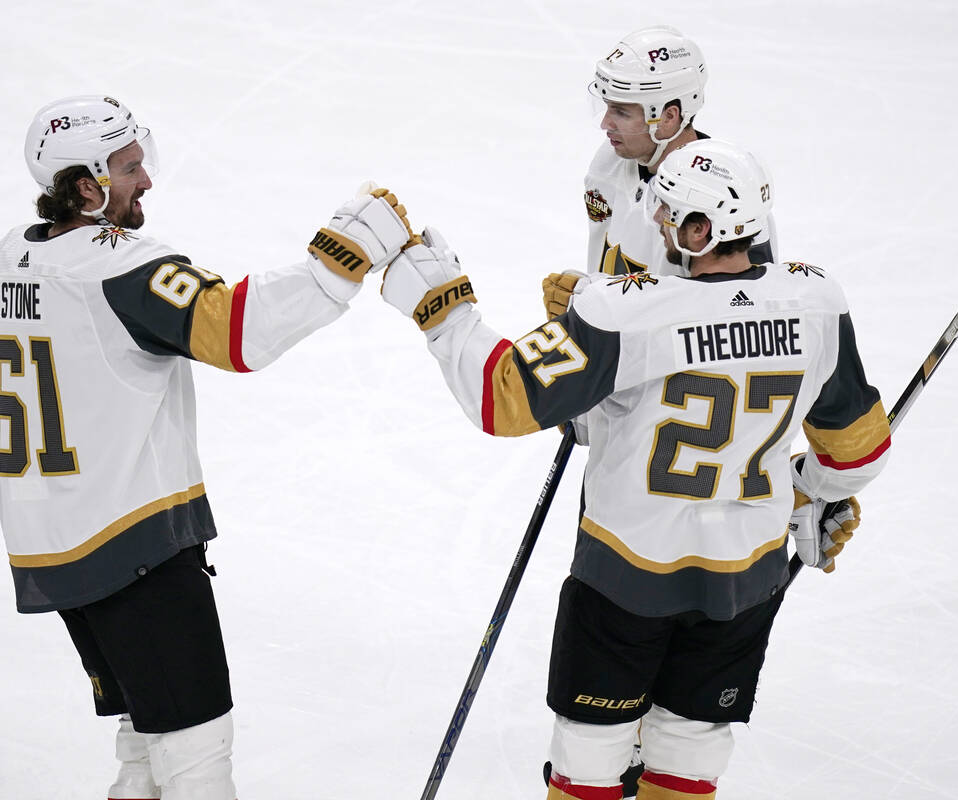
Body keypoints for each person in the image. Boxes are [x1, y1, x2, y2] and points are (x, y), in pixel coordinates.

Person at [0, 95, 414, 800]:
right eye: (128, 169)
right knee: (194, 765)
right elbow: (236, 329)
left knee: (144, 754)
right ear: (86, 187)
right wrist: (344, 255)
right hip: (138, 560)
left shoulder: (2, 262)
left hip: (58, 564)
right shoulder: (119, 268)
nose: (146, 180)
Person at [380, 138, 890, 799]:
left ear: (701, 229)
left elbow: (501, 396)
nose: (654, 221)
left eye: (668, 211)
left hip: (626, 576)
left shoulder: (623, 313)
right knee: (690, 753)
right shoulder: (815, 301)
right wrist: (810, 494)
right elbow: (858, 448)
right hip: (745, 581)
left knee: (591, 759)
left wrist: (444, 308)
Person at [545, 25, 779, 322]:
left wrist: (598, 302)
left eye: (621, 112)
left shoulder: (725, 198)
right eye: (606, 108)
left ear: (669, 117)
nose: (606, 123)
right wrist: (589, 309)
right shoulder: (610, 160)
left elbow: (739, 313)